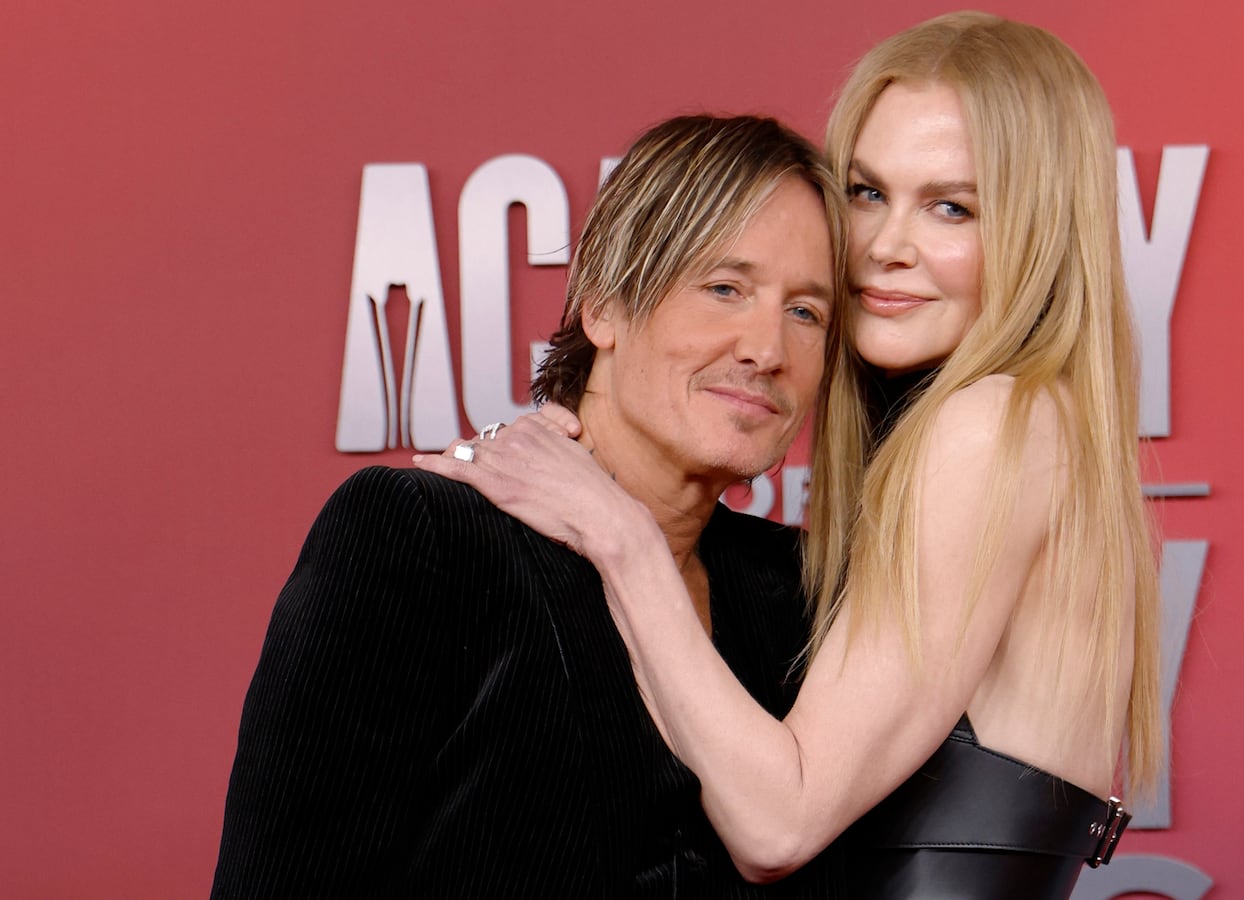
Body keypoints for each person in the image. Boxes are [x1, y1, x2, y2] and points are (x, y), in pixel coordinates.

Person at [426, 11, 1161, 898]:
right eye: (866, 193)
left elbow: (778, 823)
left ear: (1040, 232)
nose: (885, 248)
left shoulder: (993, 424)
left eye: (951, 207)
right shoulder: (1034, 429)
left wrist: (613, 529)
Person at [210, 114, 852, 899]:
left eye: (806, 313)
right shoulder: (420, 538)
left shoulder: (801, 593)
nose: (767, 349)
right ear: (605, 304)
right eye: (725, 289)